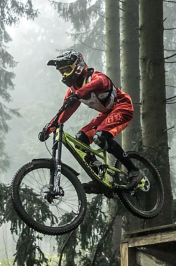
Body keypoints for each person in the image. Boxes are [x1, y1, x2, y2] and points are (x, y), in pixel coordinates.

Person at [40, 49, 143, 191]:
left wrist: (78, 94)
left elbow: (100, 83)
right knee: (80, 139)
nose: (64, 75)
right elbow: (64, 113)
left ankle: (134, 171)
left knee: (100, 137)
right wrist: (49, 129)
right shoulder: (73, 91)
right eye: (61, 72)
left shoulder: (95, 77)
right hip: (106, 114)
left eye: (67, 70)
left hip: (123, 107)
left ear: (78, 67)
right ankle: (99, 177)